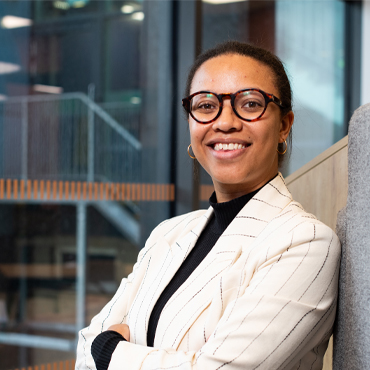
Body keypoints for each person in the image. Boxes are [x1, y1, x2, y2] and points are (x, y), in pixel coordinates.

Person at [75, 41, 340, 370]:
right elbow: (84, 343)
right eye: (205, 105)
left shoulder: (306, 242)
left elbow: (97, 348)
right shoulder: (169, 233)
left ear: (284, 124)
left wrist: (108, 352)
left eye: (250, 103)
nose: (225, 122)